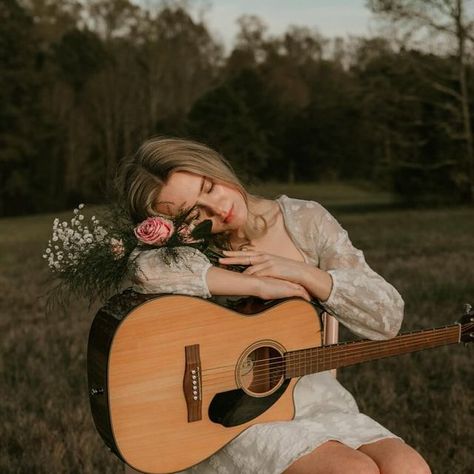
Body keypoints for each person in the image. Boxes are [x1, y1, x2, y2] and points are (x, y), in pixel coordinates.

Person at [118, 136, 431, 474]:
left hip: (315, 398)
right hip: (227, 417)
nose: (218, 208)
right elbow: (144, 271)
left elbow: (386, 317)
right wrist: (258, 284)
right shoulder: (189, 248)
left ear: (214, 167)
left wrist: (304, 273)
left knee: (408, 467)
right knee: (352, 471)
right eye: (194, 214)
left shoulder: (305, 221)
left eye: (209, 188)